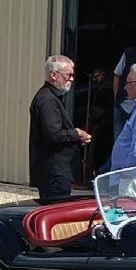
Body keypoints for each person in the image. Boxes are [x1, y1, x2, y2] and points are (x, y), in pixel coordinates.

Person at [28, 55, 90, 202]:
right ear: (54, 75)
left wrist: (75, 138)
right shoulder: (48, 100)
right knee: (55, 208)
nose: (72, 79)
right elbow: (53, 134)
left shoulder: (52, 97)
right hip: (54, 171)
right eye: (68, 75)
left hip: (55, 170)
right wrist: (76, 134)